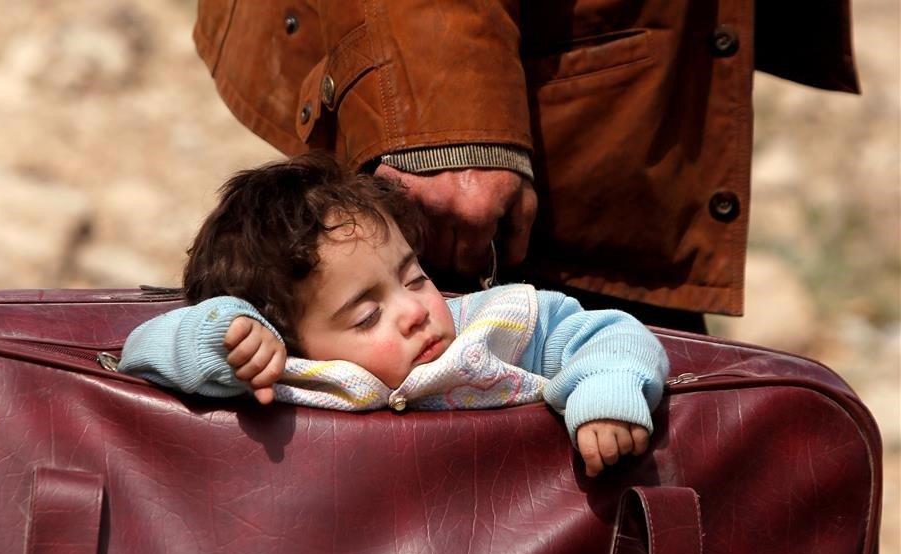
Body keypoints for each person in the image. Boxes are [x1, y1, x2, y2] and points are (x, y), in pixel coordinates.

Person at [192, 1, 859, 331]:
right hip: (486, 155)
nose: (408, 318)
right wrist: (440, 119)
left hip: (613, 118)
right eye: (369, 313)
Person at [119, 155, 669, 476]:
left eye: (413, 277)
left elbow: (613, 333)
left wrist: (606, 394)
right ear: (291, 340)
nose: (413, 311)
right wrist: (228, 335)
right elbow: (139, 353)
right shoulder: (285, 374)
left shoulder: (495, 326)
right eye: (365, 317)